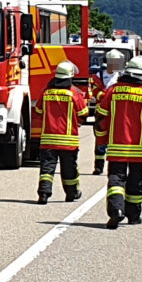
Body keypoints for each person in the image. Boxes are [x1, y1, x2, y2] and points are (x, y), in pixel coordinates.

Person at [101, 56, 142, 228]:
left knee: (116, 179)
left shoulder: (113, 91)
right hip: (141, 148)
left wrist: (101, 140)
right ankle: (133, 216)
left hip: (116, 147)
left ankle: (116, 210)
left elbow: (101, 118)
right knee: (135, 182)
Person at [33, 60, 88, 204]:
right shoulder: (74, 93)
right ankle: (71, 194)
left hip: (48, 140)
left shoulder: (46, 91)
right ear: (70, 76)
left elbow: (38, 111)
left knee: (47, 169)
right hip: (68, 140)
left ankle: (44, 194)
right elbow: (84, 113)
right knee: (69, 169)